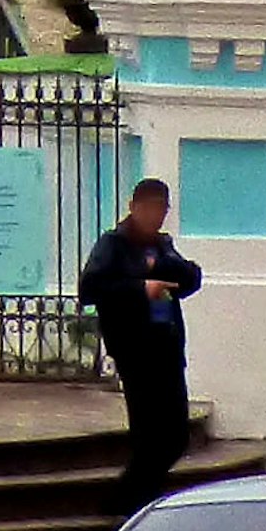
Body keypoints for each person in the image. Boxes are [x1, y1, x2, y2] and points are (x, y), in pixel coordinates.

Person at [78, 175, 203, 508]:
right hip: (135, 349)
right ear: (133, 208)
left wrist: (161, 265)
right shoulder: (114, 244)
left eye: (161, 209)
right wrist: (140, 289)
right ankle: (129, 501)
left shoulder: (162, 246)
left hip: (168, 346)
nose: (155, 216)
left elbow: (191, 279)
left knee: (176, 434)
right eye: (149, 208)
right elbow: (90, 289)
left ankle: (135, 496)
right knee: (148, 434)